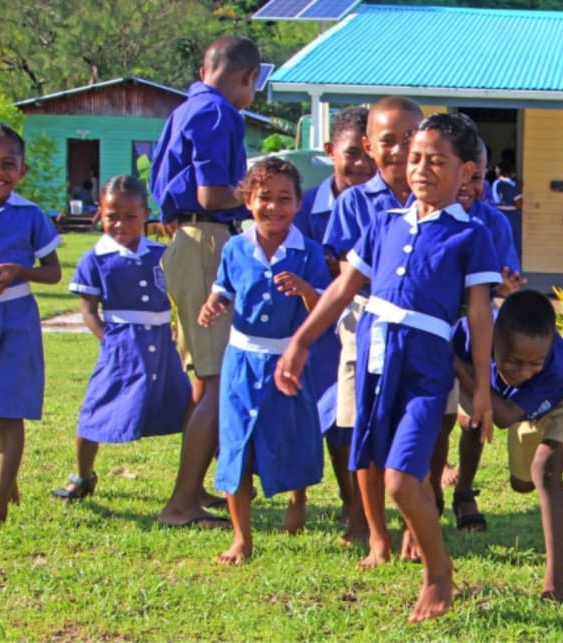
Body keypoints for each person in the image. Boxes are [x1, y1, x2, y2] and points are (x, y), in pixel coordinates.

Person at [275, 113, 501, 623]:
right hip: (376, 358)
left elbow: (481, 314)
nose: (420, 169)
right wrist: (301, 341)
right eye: (415, 158)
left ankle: (438, 572)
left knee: (402, 481)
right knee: (371, 464)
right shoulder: (384, 222)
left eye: (437, 162)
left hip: (426, 369)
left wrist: (482, 390)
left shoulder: (472, 234)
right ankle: (385, 541)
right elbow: (342, 289)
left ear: (466, 172)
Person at [149, 35, 260, 529]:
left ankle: (197, 489)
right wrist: (259, 196)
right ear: (247, 79)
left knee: (205, 377)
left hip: (185, 239)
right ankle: (182, 502)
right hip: (207, 240)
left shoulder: (184, 109)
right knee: (221, 378)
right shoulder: (221, 114)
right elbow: (213, 193)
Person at [198, 158, 330, 564]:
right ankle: (242, 537)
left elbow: (322, 306)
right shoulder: (236, 247)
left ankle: (297, 497)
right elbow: (224, 289)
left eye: (284, 199)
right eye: (264, 198)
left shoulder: (307, 252)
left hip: (287, 362)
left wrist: (305, 288)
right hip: (241, 362)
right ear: (248, 201)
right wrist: (213, 305)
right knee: (236, 444)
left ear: (298, 203)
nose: (274, 207)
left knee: (289, 436)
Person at [322, 96, 424, 555]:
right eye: (389, 141)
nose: (401, 151)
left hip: (421, 329)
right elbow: (349, 275)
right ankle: (373, 528)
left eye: (410, 139)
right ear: (367, 146)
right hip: (363, 324)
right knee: (360, 425)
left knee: (417, 426)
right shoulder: (353, 205)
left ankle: (414, 523)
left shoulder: (434, 199)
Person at [453, 289, 563, 600]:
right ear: (493, 338)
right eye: (513, 361)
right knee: (520, 482)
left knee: (545, 469)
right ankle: (462, 493)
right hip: (519, 404)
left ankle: (556, 580)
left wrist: (461, 370)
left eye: (534, 363)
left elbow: (505, 417)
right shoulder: (470, 330)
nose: (522, 372)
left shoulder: (555, 368)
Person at [50, 176, 190, 502]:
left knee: (191, 411)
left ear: (145, 215)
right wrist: (108, 340)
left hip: (163, 349)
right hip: (121, 346)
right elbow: (88, 310)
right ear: (100, 213)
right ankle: (83, 475)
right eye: (112, 216)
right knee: (95, 410)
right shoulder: (95, 260)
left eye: (130, 217)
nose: (120, 224)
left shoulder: (161, 254)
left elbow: (180, 298)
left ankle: (195, 483)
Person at [0, 124, 62, 527]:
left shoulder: (30, 215)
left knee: (9, 410)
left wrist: (21, 271)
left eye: (9, 164)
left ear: (22, 171)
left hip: (17, 320)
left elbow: (54, 272)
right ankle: (7, 480)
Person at [292, 105, 374, 540]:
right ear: (329, 152)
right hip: (319, 324)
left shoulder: (383, 203)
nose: (361, 164)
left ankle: (362, 503)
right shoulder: (304, 207)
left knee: (359, 414)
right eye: (350, 154)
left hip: (365, 319)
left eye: (368, 153)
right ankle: (347, 499)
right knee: (335, 415)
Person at [438, 135, 524, 533]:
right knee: (435, 418)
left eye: (479, 176)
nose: (469, 186)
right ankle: (432, 486)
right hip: (432, 325)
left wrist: (506, 289)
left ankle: (465, 490)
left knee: (474, 417)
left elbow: (502, 276)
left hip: (473, 329)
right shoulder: (426, 214)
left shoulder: (493, 221)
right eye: (463, 174)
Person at [492, 155, 523, 260]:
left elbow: (495, 200)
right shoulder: (513, 185)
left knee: (498, 242)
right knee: (514, 243)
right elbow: (519, 203)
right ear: (511, 173)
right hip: (512, 216)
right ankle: (513, 269)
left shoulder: (495, 184)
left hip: (498, 214)